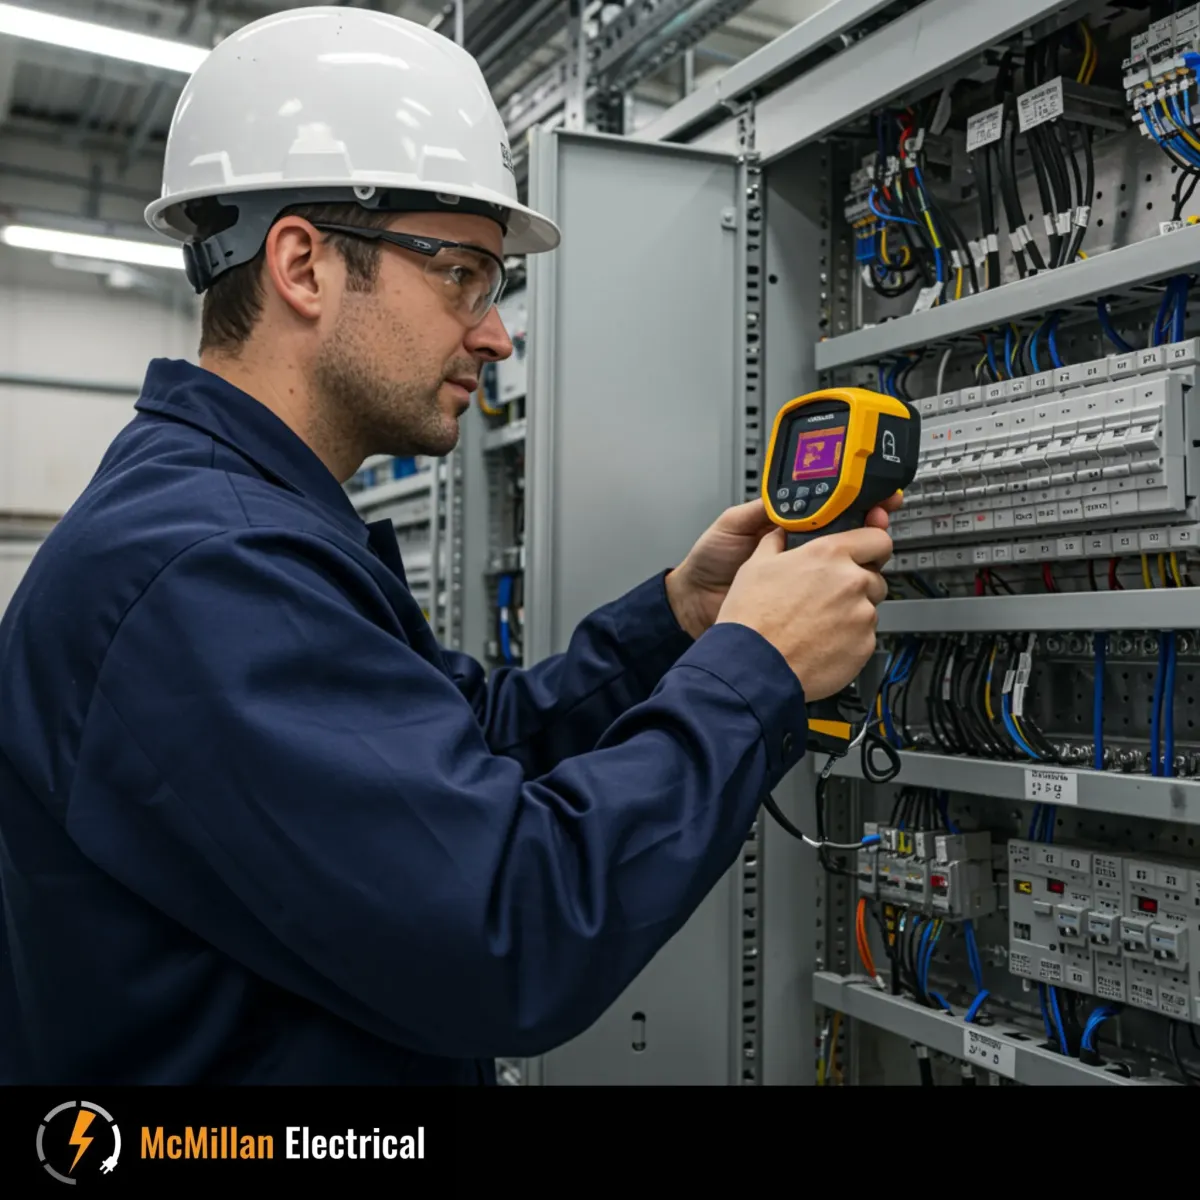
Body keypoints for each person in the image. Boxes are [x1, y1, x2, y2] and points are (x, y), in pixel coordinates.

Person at [0, 8, 899, 1085]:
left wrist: (682, 623)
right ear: (302, 264)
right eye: (461, 272)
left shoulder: (239, 524)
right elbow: (509, 930)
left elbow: (464, 759)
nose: (496, 329)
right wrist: (757, 672)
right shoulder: (206, 569)